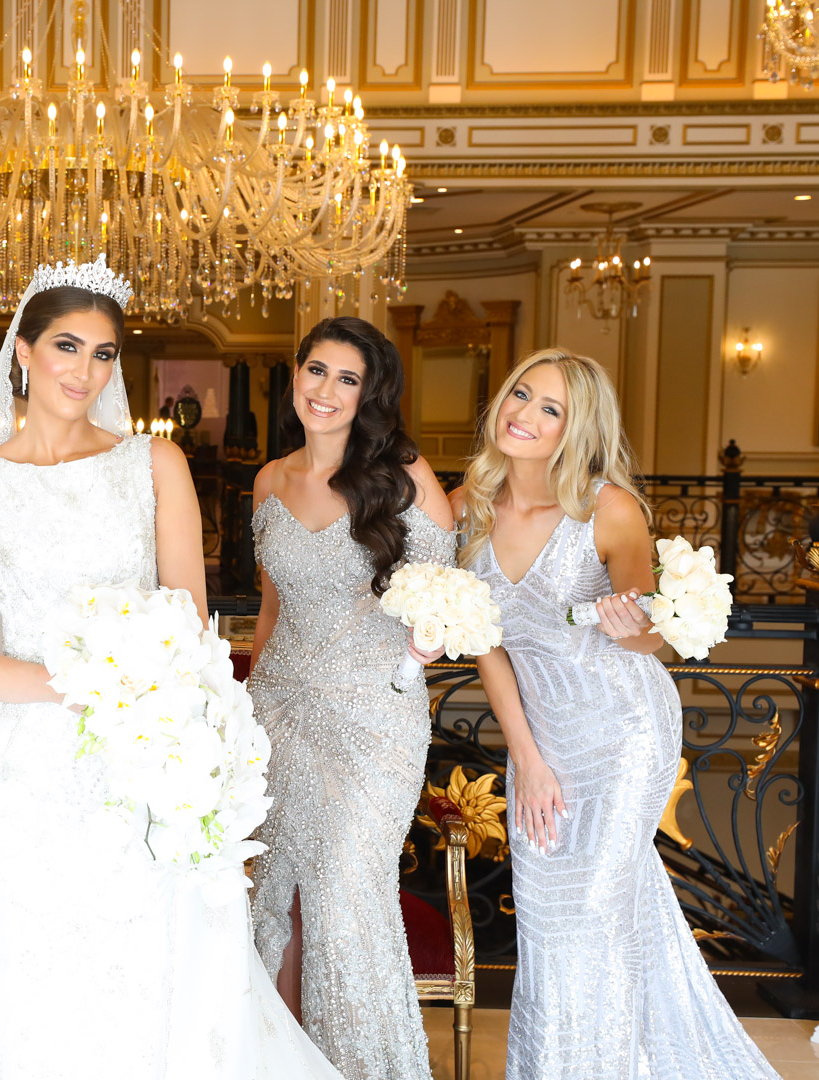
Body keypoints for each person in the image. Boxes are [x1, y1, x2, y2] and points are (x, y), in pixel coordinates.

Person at [0, 257, 344, 1080]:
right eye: (67, 346)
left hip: (143, 758)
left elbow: (191, 622)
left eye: (103, 354)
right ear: (24, 351)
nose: (85, 371)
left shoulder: (154, 465)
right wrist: (80, 685)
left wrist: (149, 706)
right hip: (22, 770)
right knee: (25, 976)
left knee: (148, 963)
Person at [451, 349, 779, 1080]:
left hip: (622, 733)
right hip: (541, 736)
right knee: (550, 921)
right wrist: (526, 757)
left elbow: (649, 635)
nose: (524, 415)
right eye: (521, 394)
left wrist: (633, 621)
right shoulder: (469, 503)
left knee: (593, 914)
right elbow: (484, 646)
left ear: (577, 429)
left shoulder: (608, 508)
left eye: (551, 409)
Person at [246, 315, 453, 1080]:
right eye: (316, 370)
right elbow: (272, 609)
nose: (326, 390)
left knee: (342, 896)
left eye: (347, 378)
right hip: (278, 713)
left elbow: (445, 603)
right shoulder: (269, 480)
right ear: (295, 374)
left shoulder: (405, 478)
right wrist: (246, 715)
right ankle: (283, 1065)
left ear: (368, 394)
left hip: (373, 720)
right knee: (274, 897)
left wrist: (430, 640)